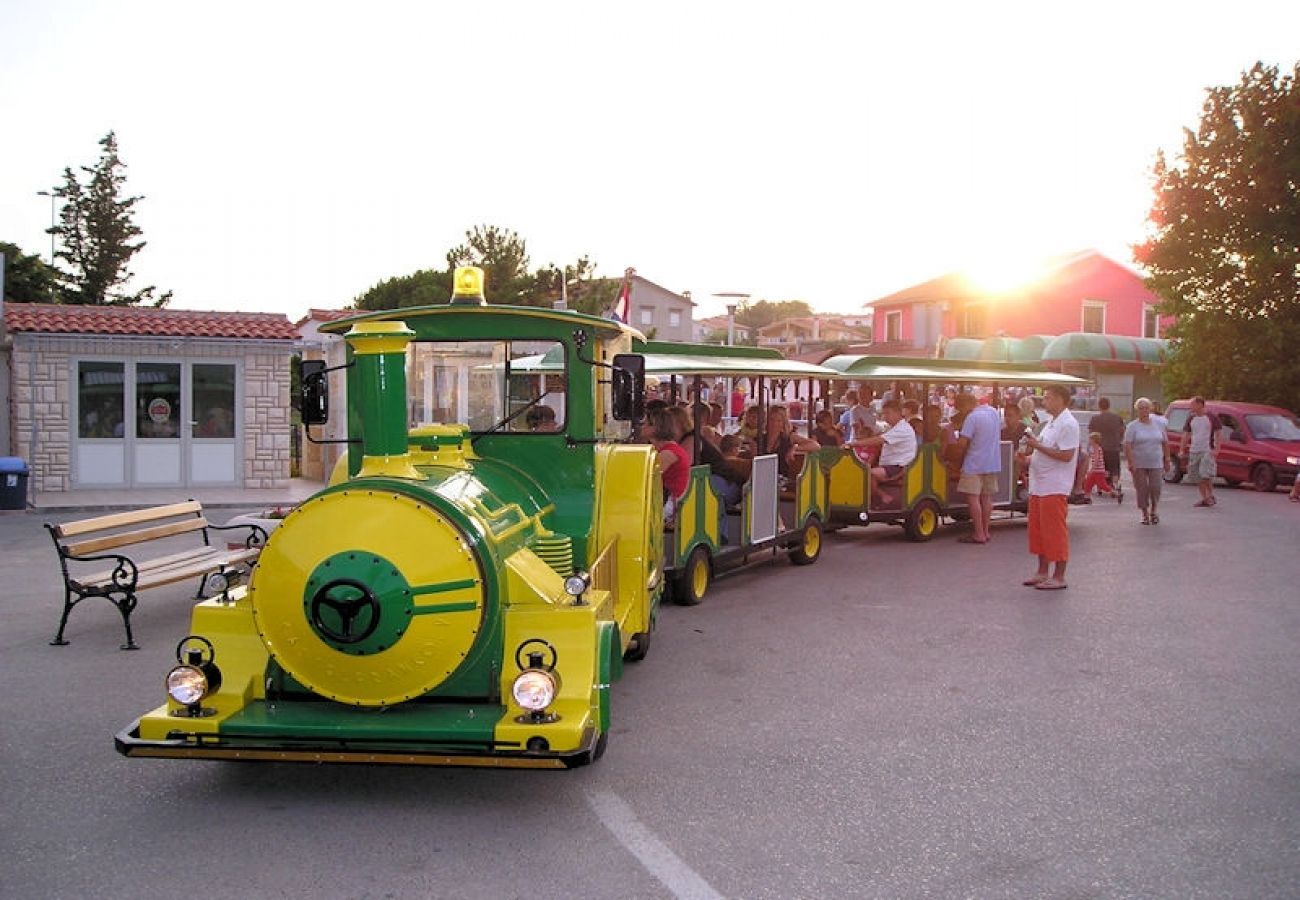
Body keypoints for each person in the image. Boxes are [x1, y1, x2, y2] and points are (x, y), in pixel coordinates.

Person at [1020, 384, 1078, 591]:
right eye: (1044, 398)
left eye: (1049, 398)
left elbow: (1066, 455)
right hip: (1039, 484)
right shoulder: (1051, 422)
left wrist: (1037, 447)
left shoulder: (1068, 424)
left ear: (1062, 399)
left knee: (1054, 531)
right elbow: (1043, 450)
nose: (1045, 402)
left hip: (1054, 485)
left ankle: (1059, 575)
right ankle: (1042, 571)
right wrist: (1028, 457)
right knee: (1038, 530)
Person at [953, 392, 1002, 544]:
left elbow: (962, 443)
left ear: (965, 405)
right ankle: (986, 531)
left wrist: (954, 461)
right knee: (986, 498)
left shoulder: (972, 417)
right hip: (992, 461)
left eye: (960, 408)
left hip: (974, 463)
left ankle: (978, 533)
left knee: (973, 498)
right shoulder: (994, 412)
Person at [1124, 398, 1170, 524]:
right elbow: (1127, 445)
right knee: (1141, 488)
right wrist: (1131, 462)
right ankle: (1144, 513)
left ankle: (1154, 510)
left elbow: (1165, 442)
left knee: (1156, 487)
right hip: (1139, 462)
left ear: (1150, 409)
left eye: (1146, 408)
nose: (1144, 410)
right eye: (1141, 408)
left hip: (1156, 461)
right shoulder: (1132, 426)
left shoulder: (1159, 424)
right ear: (1137, 410)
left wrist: (1167, 459)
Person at [852, 399, 917, 482]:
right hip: (889, 466)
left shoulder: (902, 429)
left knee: (866, 474)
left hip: (898, 467)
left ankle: (882, 495)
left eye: (887, 413)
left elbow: (880, 440)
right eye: (883, 413)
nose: (884, 417)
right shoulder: (893, 428)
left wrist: (855, 444)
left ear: (897, 413)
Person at [648, 407, 690, 520]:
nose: (642, 427)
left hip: (672, 503)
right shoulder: (665, 449)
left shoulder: (668, 453)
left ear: (655, 428)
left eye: (646, 424)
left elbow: (647, 478)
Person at [759, 405, 819, 482]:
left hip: (782, 480)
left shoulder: (789, 438)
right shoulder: (760, 439)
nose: (774, 423)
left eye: (779, 421)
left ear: (783, 423)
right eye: (772, 420)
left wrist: (795, 448)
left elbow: (816, 445)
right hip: (762, 478)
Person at [1182, 396, 1222, 508]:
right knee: (1197, 476)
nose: (1191, 407)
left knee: (1205, 474)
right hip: (1194, 450)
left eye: (1193, 404)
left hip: (1207, 450)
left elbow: (1219, 433)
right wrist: (1182, 448)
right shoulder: (1191, 418)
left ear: (1200, 404)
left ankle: (1210, 495)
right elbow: (1186, 434)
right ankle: (1204, 498)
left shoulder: (1211, 417)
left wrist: (1217, 449)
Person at [1091, 397, 1126, 491]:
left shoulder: (1095, 419)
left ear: (1099, 406)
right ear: (1109, 406)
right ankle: (1116, 484)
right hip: (1114, 447)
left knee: (1102, 468)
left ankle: (1100, 486)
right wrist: (1119, 440)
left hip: (1100, 447)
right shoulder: (1117, 418)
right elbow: (1122, 430)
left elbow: (1091, 433)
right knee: (1114, 468)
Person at [1081, 432, 1118, 499]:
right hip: (1096, 470)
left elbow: (1096, 459)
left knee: (1102, 485)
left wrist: (1092, 469)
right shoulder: (1094, 448)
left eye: (1090, 439)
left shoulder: (1096, 448)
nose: (1089, 440)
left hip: (1098, 470)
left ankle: (1116, 493)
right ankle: (1087, 497)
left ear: (1094, 440)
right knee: (1088, 483)